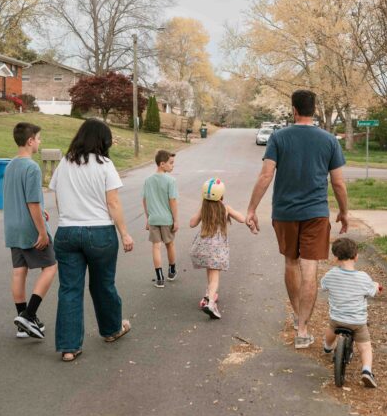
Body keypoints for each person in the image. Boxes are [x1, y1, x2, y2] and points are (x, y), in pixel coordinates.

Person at [246, 89, 350, 349]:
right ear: (314, 110)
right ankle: (303, 329)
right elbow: (338, 183)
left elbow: (265, 176)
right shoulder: (329, 140)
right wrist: (344, 211)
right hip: (315, 213)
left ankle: (297, 315)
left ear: (293, 109)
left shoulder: (279, 138)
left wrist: (251, 208)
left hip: (285, 212)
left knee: (291, 263)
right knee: (310, 269)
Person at [50, 119, 134, 362]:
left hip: (67, 232)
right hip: (100, 232)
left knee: (69, 289)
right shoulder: (105, 165)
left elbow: (58, 198)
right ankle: (111, 329)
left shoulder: (64, 164)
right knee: (103, 284)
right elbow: (113, 202)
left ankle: (69, 347)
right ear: (102, 140)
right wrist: (125, 233)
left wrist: (68, 218)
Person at [4, 122, 57, 340]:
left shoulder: (10, 166)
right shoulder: (32, 168)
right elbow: (32, 202)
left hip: (12, 226)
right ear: (30, 141)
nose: (40, 142)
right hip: (30, 228)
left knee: (19, 271)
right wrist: (42, 231)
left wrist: (40, 211)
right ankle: (29, 314)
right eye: (38, 138)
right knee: (50, 267)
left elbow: (17, 198)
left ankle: (22, 323)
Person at [321, 237, 381, 388]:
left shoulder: (331, 275)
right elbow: (373, 291)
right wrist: (376, 286)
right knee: (365, 347)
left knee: (331, 329)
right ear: (356, 256)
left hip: (337, 319)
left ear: (335, 258)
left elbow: (323, 286)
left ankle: (328, 346)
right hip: (357, 323)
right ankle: (367, 370)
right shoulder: (363, 278)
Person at [189, 178, 252, 319]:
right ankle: (211, 303)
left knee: (210, 272)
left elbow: (192, 223)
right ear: (221, 196)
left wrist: (200, 213)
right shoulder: (225, 208)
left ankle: (208, 295)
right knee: (215, 278)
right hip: (217, 249)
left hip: (202, 247)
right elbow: (242, 219)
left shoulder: (203, 208)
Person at [142, 149, 179, 288]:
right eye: (171, 163)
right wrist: (176, 220)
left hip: (153, 219)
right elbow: (173, 201)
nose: (172, 166)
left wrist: (148, 218)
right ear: (162, 164)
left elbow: (144, 200)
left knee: (156, 247)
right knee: (170, 244)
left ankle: (159, 277)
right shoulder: (171, 180)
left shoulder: (148, 180)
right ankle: (172, 270)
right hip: (167, 219)